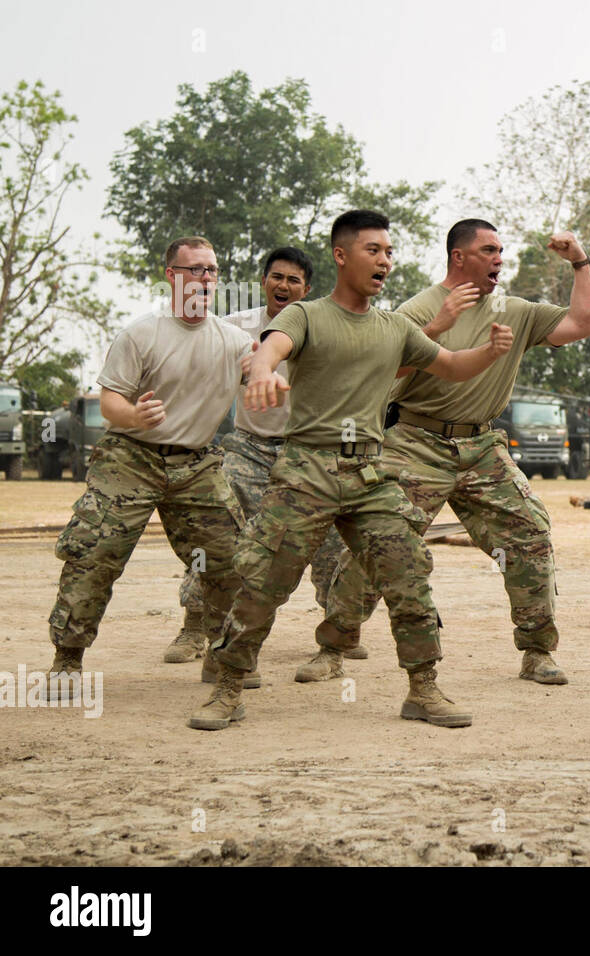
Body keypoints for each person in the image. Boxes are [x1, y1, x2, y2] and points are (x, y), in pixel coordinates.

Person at [188, 210, 514, 731]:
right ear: (342, 256)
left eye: (389, 252)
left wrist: (490, 352)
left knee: (408, 573)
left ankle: (423, 688)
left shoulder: (394, 327)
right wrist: (263, 371)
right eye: (373, 251)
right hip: (306, 470)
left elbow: (450, 367)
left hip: (369, 474)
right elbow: (271, 348)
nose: (385, 260)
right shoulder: (307, 316)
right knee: (261, 579)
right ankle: (227, 687)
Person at [299, 218, 590, 687]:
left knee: (530, 532)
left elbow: (583, 323)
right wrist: (439, 327)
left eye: (501, 250)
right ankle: (333, 646)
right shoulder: (417, 310)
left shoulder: (513, 310)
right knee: (382, 540)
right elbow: (383, 375)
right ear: (459, 257)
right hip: (417, 440)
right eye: (488, 250)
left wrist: (579, 261)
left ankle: (537, 651)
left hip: (482, 446)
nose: (499, 258)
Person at [46, 237, 250, 695]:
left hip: (195, 463)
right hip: (131, 458)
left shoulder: (234, 341)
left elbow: (263, 370)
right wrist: (134, 415)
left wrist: (269, 377)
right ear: (171, 276)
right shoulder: (142, 333)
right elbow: (111, 399)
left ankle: (224, 657)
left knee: (231, 559)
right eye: (193, 269)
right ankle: (67, 659)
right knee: (94, 553)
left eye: (211, 270)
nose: (203, 278)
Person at [165, 247, 366, 677]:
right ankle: (195, 625)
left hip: (310, 450)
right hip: (250, 447)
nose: (284, 286)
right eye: (277, 277)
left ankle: (339, 630)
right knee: (222, 530)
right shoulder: (237, 328)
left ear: (307, 289)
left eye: (294, 280)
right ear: (263, 282)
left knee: (332, 539)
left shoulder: (326, 327)